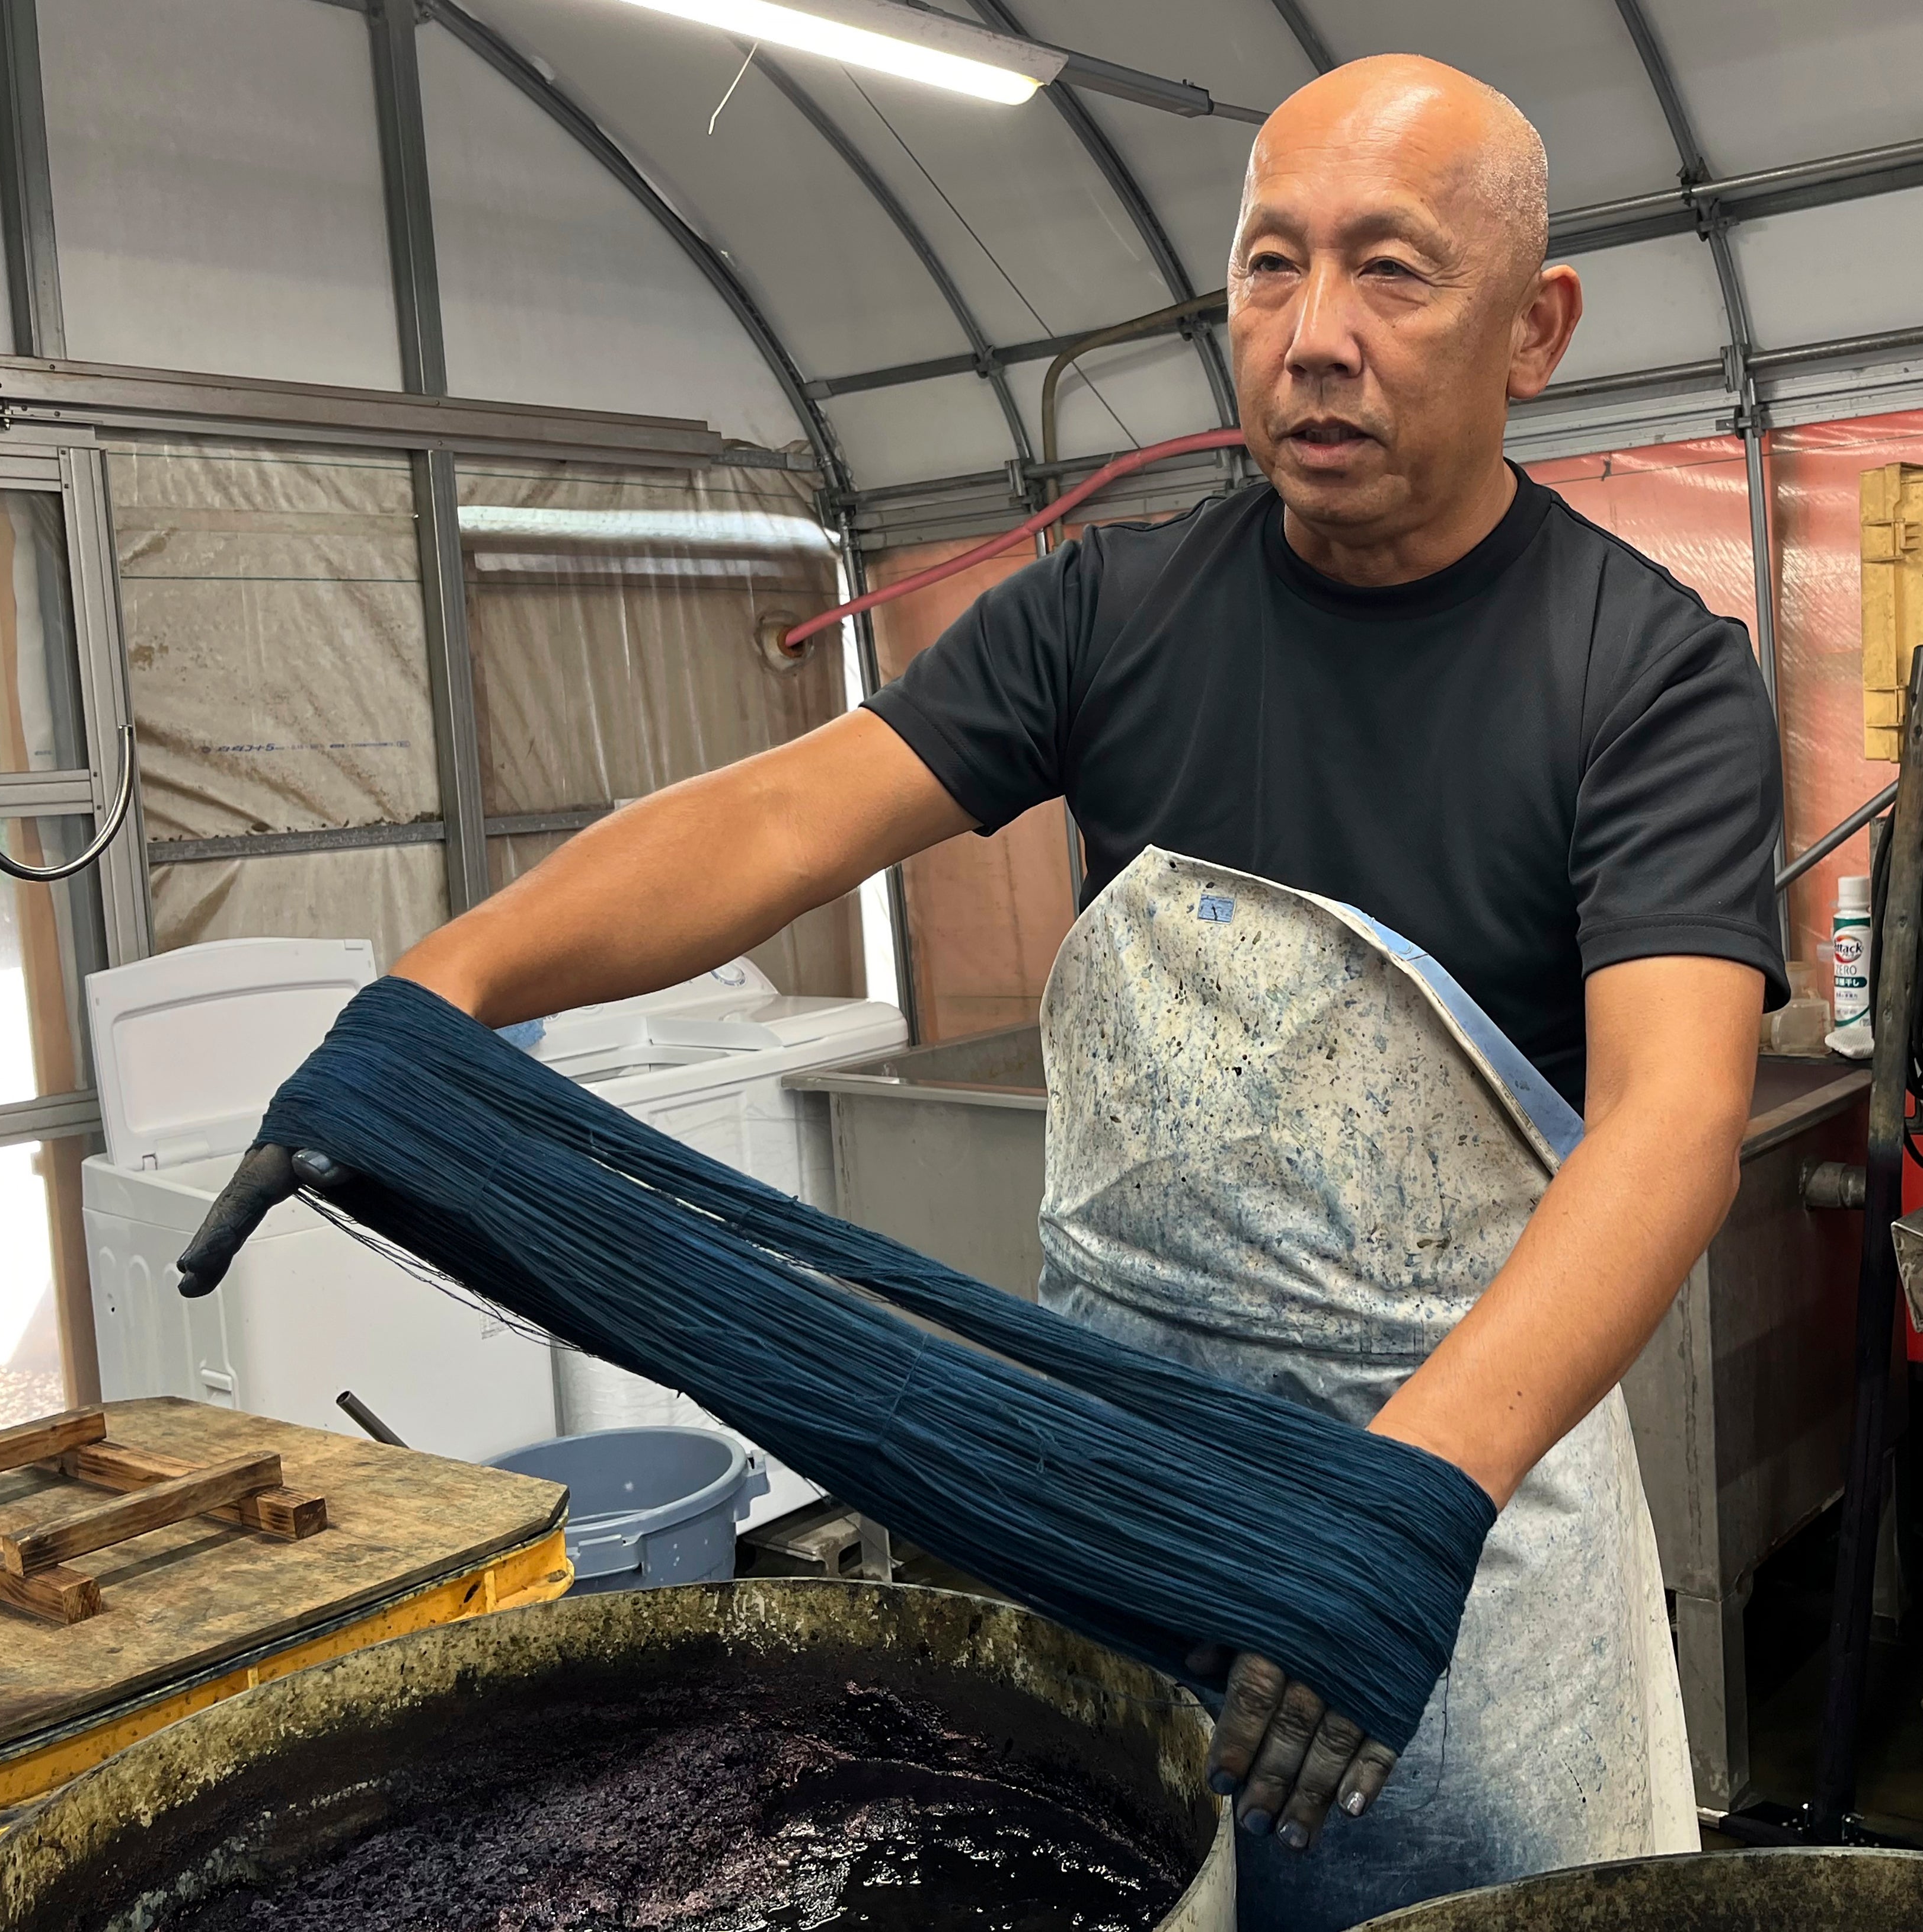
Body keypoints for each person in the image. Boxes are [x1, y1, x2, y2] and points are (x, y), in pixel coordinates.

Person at [194, 52, 1783, 1931]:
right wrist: (436, 997)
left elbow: (1673, 1115)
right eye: (1269, 269)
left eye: (1391, 271)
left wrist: (1400, 1508)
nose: (1313, 336)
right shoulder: (1108, 616)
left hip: (1443, 1530)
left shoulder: (1647, 677)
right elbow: (778, 817)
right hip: (1095, 1496)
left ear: (1537, 329)